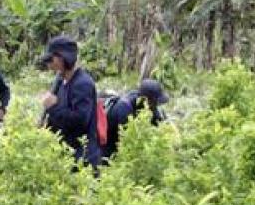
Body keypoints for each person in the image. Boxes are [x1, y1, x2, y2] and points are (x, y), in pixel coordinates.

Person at [40, 36, 102, 168]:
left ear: (63, 58)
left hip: (82, 158)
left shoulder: (82, 84)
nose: (49, 64)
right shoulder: (61, 80)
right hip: (67, 153)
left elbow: (80, 122)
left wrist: (53, 107)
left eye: (51, 59)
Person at [103, 79, 168, 159]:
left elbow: (161, 124)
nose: (156, 106)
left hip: (119, 142)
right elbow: (130, 141)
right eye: (155, 103)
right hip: (108, 144)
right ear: (148, 100)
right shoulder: (124, 108)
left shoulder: (146, 104)